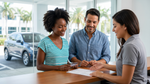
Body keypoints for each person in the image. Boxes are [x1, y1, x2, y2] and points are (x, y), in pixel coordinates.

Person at [90, 9, 147, 84]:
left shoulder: (130, 46)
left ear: (125, 26)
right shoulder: (136, 40)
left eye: (115, 26)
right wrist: (103, 65)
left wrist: (101, 74)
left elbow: (125, 81)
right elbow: (125, 68)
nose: (113, 30)